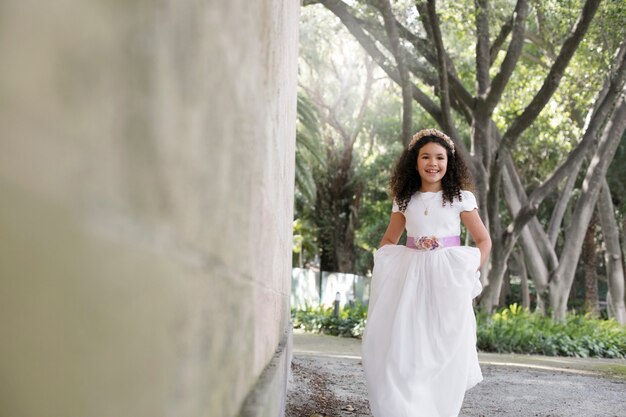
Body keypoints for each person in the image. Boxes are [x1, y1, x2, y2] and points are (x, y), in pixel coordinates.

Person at [362, 128, 492, 417]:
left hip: (446, 282)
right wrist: (406, 251)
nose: (433, 163)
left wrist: (465, 270)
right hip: (411, 279)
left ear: (449, 162)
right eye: (425, 157)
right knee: (406, 345)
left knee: (441, 346)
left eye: (439, 157)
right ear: (415, 161)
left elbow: (484, 241)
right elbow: (388, 241)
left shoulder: (460, 198)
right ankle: (403, 408)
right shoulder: (405, 199)